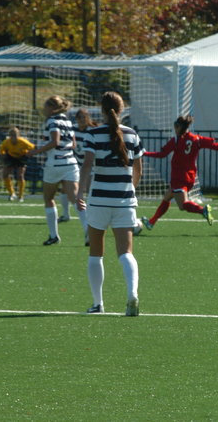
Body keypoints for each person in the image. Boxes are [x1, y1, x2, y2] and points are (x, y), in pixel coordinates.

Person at [76, 91, 144, 316]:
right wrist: (130, 190)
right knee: (126, 253)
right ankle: (132, 294)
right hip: (124, 201)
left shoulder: (93, 134)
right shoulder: (132, 134)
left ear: (101, 109)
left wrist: (80, 192)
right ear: (122, 109)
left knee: (96, 254)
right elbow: (138, 170)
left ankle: (98, 304)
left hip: (99, 201)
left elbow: (87, 165)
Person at [140, 115, 218, 231]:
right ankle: (151, 222)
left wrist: (145, 153)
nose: (174, 129)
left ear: (178, 127)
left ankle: (202, 210)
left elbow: (162, 154)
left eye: (175, 127)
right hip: (190, 176)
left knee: (183, 205)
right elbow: (215, 146)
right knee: (167, 197)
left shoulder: (176, 140)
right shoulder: (196, 139)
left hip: (178, 177)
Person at [27, 95, 88, 245]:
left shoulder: (52, 121)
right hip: (70, 163)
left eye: (45, 107)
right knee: (76, 199)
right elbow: (73, 144)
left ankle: (54, 236)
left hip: (55, 164)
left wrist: (36, 151)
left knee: (49, 199)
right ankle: (89, 231)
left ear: (51, 108)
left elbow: (55, 141)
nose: (43, 109)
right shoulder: (68, 121)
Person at [0, 126, 35, 202]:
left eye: (15, 135)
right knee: (5, 174)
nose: (13, 137)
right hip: (11, 157)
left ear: (18, 135)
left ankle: (20, 196)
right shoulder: (6, 142)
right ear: (9, 136)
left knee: (20, 175)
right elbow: (1, 150)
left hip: (21, 157)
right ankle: (12, 193)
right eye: (11, 135)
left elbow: (33, 148)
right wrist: (3, 156)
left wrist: (29, 153)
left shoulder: (23, 142)